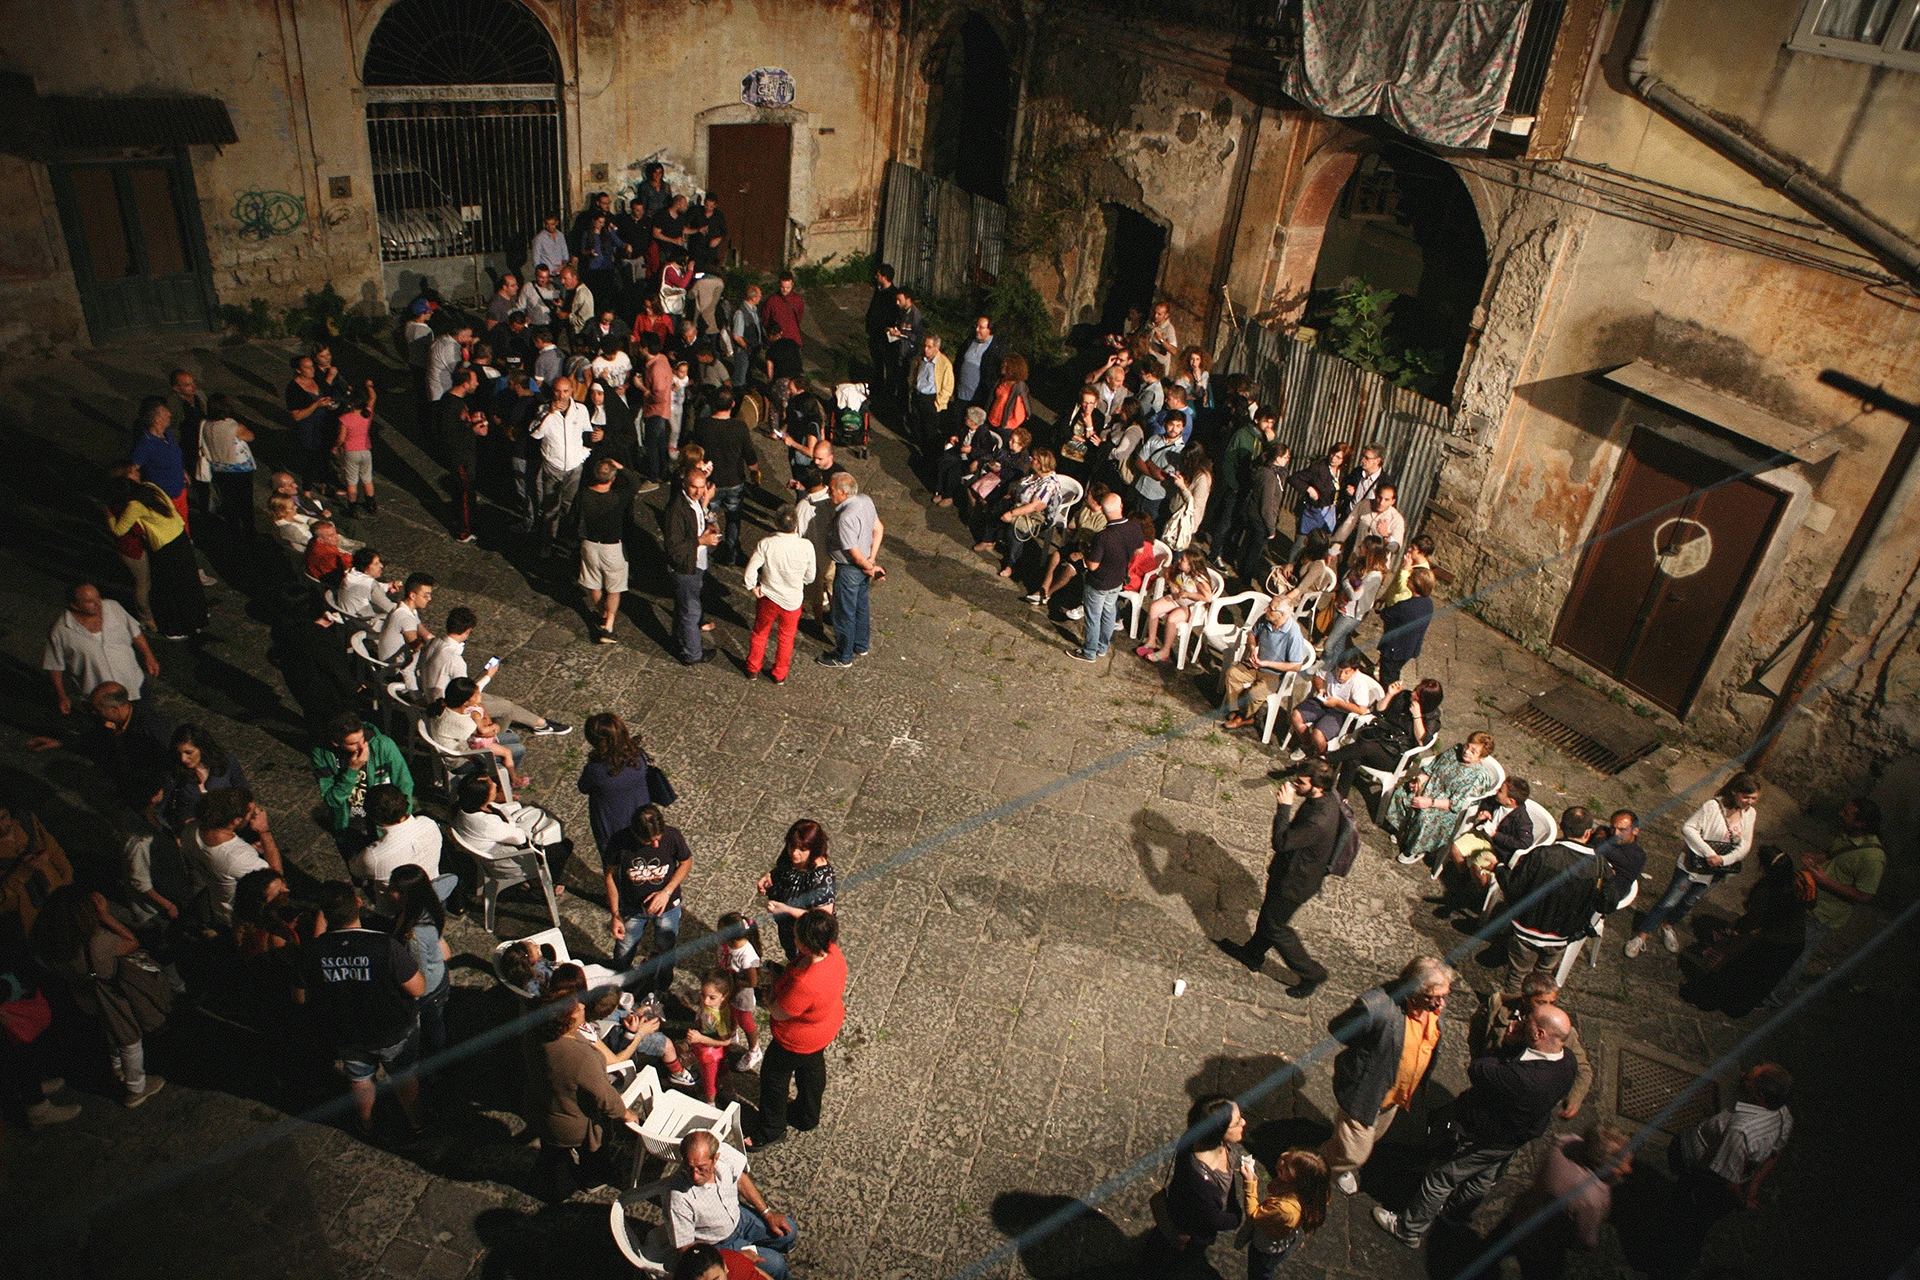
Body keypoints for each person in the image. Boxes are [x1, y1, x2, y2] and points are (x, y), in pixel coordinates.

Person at [1374, 1003, 1578, 1248]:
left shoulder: (1523, 1080)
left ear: (1539, 1034)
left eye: (1528, 1020)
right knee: (1482, 1176)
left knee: (1441, 1178)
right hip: (1511, 1138)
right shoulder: (1568, 1062)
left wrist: (1508, 1044)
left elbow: (1480, 1068)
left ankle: (1409, 1229)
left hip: (1482, 1135)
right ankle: (1455, 1215)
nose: (1521, 1020)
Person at [297, 881, 425, 1137]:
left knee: (359, 1078)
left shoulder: (311, 952)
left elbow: (301, 998)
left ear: (324, 914)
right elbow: (418, 988)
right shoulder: (384, 945)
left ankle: (366, 1123)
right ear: (357, 903)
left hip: (346, 1032)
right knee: (403, 1077)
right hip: (391, 1029)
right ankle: (416, 1123)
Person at [1318, 955, 1454, 1195]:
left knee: (1369, 1139)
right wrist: (1367, 1054)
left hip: (1393, 1096)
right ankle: (1316, 1169)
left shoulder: (1430, 1007)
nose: (1441, 1005)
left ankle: (1338, 1163)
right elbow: (1339, 1029)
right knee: (1355, 1153)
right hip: (1366, 1091)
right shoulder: (1377, 1007)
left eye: (1444, 996)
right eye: (1436, 998)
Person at [30, 885, 168, 1108]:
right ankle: (136, 1087)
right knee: (128, 1038)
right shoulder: (97, 943)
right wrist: (106, 916)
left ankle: (117, 1068)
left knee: (109, 1031)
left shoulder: (50, 946)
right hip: (109, 996)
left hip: (83, 996)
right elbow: (131, 942)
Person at [1216, 759, 1345, 998]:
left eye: (1300, 782)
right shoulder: (1324, 799)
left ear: (1318, 787)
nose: (1294, 785)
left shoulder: (1319, 820)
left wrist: (1284, 807)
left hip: (1294, 884)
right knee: (1268, 916)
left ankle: (1311, 973)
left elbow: (1282, 842)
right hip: (1290, 874)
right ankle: (1252, 953)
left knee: (1276, 928)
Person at [526, 976, 639, 1198]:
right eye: (576, 1007)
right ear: (566, 1020)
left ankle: (551, 1184)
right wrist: (626, 1113)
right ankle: (591, 1180)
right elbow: (605, 1098)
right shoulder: (580, 1056)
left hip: (541, 1107)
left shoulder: (535, 1033)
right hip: (572, 1123)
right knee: (595, 1153)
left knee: (552, 1154)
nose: (582, 1006)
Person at [1625, 772, 1761, 958]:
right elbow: (1688, 828)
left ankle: (1668, 925)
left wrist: (1724, 860)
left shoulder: (1749, 814)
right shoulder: (1712, 807)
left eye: (1753, 798)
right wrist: (1709, 853)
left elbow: (1745, 844)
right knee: (1670, 899)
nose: (1749, 802)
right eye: (1746, 797)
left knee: (1690, 901)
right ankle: (1642, 935)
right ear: (1734, 792)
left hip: (1717, 869)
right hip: (1694, 864)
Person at [1769, 795, 1885, 1008]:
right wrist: (1815, 859)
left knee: (1797, 954)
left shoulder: (1872, 859)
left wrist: (1825, 881)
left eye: (1847, 814)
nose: (1841, 814)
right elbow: (1833, 852)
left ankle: (1776, 996)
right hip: (1807, 898)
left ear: (1862, 823)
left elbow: (1865, 895)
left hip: (1823, 912)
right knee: (1783, 942)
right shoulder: (1847, 835)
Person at [1681, 845, 1811, 1018]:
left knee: (1739, 973)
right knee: (1764, 980)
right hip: (1795, 942)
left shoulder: (1766, 891)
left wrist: (1734, 931)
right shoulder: (1799, 883)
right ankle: (1739, 1008)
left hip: (1772, 942)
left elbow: (1753, 919)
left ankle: (1712, 1001)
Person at [753, 908, 846, 1150]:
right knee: (812, 1068)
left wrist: (770, 994)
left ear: (806, 944)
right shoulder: (833, 953)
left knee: (773, 1079)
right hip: (824, 1029)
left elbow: (779, 1012)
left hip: (796, 1040)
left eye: (796, 937)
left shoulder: (805, 982)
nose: (793, 940)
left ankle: (771, 1129)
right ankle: (806, 1116)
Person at [1494, 1123, 1631, 1280]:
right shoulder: (1593, 1199)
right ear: (1598, 1163)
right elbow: (1585, 1241)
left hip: (1522, 1212)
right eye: (1620, 1165)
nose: (1628, 1169)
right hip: (1542, 1244)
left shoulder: (1568, 1141)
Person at [1497, 808, 1605, 995]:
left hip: (1526, 930)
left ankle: (1509, 1013)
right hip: (1561, 936)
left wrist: (1499, 869)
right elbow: (1607, 903)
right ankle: (1535, 1011)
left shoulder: (1540, 855)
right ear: (1588, 833)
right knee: (1544, 978)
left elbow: (1514, 888)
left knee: (1516, 976)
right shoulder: (1599, 865)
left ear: (1561, 827)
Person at [414, 608, 569, 736]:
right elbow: (466, 694)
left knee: (497, 699)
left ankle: (540, 723)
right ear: (468, 631)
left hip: (434, 696)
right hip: (453, 707)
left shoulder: (433, 643)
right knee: (506, 707)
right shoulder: (454, 660)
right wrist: (488, 676)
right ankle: (496, 736)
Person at [667, 1131, 799, 1277]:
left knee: (789, 1230)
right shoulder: (678, 1196)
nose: (694, 1175)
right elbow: (686, 1248)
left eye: (701, 1168)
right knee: (776, 1264)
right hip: (719, 1244)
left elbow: (742, 1181)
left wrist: (767, 1213)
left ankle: (768, 1249)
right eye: (689, 1167)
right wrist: (734, 1258)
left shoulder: (725, 1154)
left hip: (741, 1219)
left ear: (715, 1158)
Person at [1671, 1063, 1792, 1221]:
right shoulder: (1783, 1115)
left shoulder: (1741, 1131)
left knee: (1683, 1211)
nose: (1743, 1076)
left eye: (1748, 1079)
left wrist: (1742, 1201)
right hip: (1716, 1175)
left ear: (1759, 1096)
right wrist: (1753, 1187)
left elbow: (1726, 1180)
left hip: (1697, 1168)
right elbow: (1776, 1152)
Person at [1148, 1096, 1245, 1269]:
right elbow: (1217, 1219)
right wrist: (1237, 1216)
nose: (1244, 1123)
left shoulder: (1193, 1139)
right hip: (1192, 1232)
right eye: (1237, 1122)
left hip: (1179, 1206)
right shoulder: (1201, 1186)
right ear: (1218, 1132)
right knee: (1178, 1260)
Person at [105, 476, 207, 640]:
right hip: (179, 535)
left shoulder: (134, 505)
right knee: (188, 581)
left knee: (171, 588)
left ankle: (176, 628)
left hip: (165, 545)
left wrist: (109, 516)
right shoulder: (150, 487)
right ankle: (197, 619)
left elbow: (119, 530)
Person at [1484, 973, 1596, 1120]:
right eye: (1542, 1002)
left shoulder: (1558, 1029)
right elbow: (1483, 1032)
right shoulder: (1500, 1005)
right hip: (1490, 1078)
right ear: (1525, 998)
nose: (1548, 1008)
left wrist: (1574, 1100)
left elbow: (1584, 1069)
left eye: (1552, 1002)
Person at [605, 805, 691, 991]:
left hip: (668, 908)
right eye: (649, 841)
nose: (656, 845)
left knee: (666, 949)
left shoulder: (672, 836)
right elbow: (610, 875)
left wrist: (666, 892)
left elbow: (686, 862)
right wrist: (615, 913)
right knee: (623, 951)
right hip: (633, 909)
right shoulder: (619, 842)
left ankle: (661, 987)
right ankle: (618, 988)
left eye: (658, 839)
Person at [1381, 731, 1498, 867]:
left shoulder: (1478, 777)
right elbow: (1431, 770)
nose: (1467, 751)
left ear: (1482, 756)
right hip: (1431, 788)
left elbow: (1457, 804)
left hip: (1446, 806)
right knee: (1403, 793)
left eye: (1474, 751)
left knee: (1425, 816)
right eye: (1467, 746)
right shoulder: (1454, 752)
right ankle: (1403, 831)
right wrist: (1418, 781)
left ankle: (1416, 849)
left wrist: (1429, 802)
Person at [44, 583, 158, 715]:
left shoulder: (113, 607)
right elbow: (54, 665)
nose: (98, 604)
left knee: (146, 719)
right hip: (102, 700)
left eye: (98, 597)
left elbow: (135, 632)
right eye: (90, 601)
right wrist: (61, 695)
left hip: (134, 684)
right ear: (74, 605)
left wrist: (149, 656)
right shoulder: (61, 631)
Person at [310, 713, 416, 855]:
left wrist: (400, 819)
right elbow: (332, 799)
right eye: (352, 743)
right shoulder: (322, 754)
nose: (362, 746)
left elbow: (405, 783)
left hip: (386, 823)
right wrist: (353, 770)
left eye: (362, 738)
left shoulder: (383, 745)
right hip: (351, 826)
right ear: (336, 743)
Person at [1327, 677, 1441, 801]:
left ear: (1426, 701)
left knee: (1363, 747)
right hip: (1380, 740)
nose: (1413, 694)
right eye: (1415, 690)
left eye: (1418, 695)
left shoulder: (1431, 718)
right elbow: (1379, 711)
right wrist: (1389, 694)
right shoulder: (1404, 697)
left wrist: (1417, 716)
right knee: (1353, 757)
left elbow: (1422, 741)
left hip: (1395, 756)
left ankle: (1324, 759)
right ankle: (1340, 798)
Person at [184, 786, 282, 926]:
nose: (254, 814)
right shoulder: (238, 857)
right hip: (238, 918)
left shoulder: (192, 829)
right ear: (236, 820)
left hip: (217, 906)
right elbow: (276, 879)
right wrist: (264, 831)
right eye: (250, 812)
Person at [818, 472, 885, 668]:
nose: (829, 494)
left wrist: (870, 567)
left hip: (850, 569)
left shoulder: (845, 518)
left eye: (831, 491)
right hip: (863, 565)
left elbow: (855, 555)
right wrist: (872, 558)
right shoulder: (865, 500)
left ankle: (843, 655)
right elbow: (879, 529)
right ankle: (861, 644)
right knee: (861, 606)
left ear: (842, 493)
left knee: (843, 612)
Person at [1066, 493, 1143, 663]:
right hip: (1118, 579)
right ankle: (1102, 647)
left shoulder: (1103, 536)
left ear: (1104, 512)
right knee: (1109, 614)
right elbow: (1139, 550)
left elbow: (1092, 565)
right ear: (1121, 506)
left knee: (1093, 616)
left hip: (1099, 582)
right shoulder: (1134, 527)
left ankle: (1089, 652)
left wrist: (1085, 551)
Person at [385, 864, 452, 1057]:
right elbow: (451, 878)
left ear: (408, 895)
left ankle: (437, 1058)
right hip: (438, 973)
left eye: (395, 890)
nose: (389, 892)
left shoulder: (416, 935)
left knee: (433, 1026)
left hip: (430, 990)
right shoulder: (428, 899)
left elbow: (418, 973)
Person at [744, 508, 817, 685]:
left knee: (760, 633)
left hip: (768, 597)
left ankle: (753, 668)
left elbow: (751, 570)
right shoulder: (806, 546)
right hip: (792, 600)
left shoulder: (766, 544)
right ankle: (779, 674)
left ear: (776, 523)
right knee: (786, 638)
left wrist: (753, 586)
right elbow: (810, 577)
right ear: (796, 523)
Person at [1221, 596, 1313, 730]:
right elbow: (1252, 635)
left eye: (1271, 608)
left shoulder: (1293, 634)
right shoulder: (1265, 619)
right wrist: (1253, 649)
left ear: (1281, 614)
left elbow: (1296, 665)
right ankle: (1235, 710)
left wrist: (1266, 664)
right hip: (1256, 664)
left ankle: (1245, 717)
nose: (1266, 609)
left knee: (1255, 693)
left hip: (1275, 674)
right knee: (1232, 674)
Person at [691, 388, 760, 566]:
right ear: (733, 404)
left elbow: (695, 452)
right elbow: (749, 455)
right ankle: (731, 552)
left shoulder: (702, 425)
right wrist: (754, 472)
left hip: (710, 482)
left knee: (706, 517)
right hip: (733, 481)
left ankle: (707, 548)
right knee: (733, 518)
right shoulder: (739, 427)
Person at [663, 468, 721, 666]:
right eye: (694, 487)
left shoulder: (694, 502)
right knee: (691, 613)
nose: (698, 492)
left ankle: (679, 640)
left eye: (701, 487)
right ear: (684, 485)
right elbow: (674, 548)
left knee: (683, 606)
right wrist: (701, 540)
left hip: (696, 564)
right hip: (686, 568)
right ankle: (693, 654)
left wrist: (707, 528)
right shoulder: (675, 510)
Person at [1242, 1147, 1330, 1279]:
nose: (1281, 1159)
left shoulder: (1285, 1209)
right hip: (1285, 1239)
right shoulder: (1313, 1191)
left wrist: (1250, 1183)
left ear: (1297, 1181)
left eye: (1285, 1167)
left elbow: (1253, 1215)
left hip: (1266, 1248)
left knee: (1260, 1273)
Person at [574, 457, 634, 644]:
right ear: (612, 478)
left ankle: (602, 612)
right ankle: (608, 624)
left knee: (593, 582)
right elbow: (634, 483)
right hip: (612, 547)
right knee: (614, 587)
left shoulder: (584, 494)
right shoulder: (618, 497)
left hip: (590, 544)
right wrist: (621, 467)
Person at [349, 783, 449, 894]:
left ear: (374, 818)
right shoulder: (429, 823)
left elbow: (355, 870)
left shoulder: (373, 857)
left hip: (397, 908)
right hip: (435, 891)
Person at [758, 819, 836, 961]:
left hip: (806, 937)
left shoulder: (822, 877)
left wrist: (786, 909)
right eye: (792, 846)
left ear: (814, 849)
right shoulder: (792, 858)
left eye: (802, 849)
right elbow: (782, 869)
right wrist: (769, 876)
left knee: (801, 962)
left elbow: (821, 919)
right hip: (788, 930)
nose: (794, 853)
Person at [1285, 653, 1384, 759]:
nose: (1341, 675)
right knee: (1296, 716)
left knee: (1318, 735)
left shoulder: (1359, 684)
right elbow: (1318, 676)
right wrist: (1321, 689)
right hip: (1325, 701)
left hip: (1341, 712)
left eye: (1346, 672)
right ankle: (1307, 745)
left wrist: (1337, 703)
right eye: (1339, 671)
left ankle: (1320, 756)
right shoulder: (1331, 666)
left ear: (1354, 671)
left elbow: (1361, 710)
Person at [1135, 547, 1216, 665]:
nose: (1179, 561)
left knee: (1172, 618)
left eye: (1183, 560)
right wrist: (1171, 584)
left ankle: (1165, 650)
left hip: (1191, 608)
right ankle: (1152, 640)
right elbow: (1166, 572)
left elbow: (1208, 597)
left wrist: (1188, 594)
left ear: (1191, 566)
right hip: (1177, 600)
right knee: (1155, 607)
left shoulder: (1198, 579)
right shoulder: (1179, 571)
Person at [1319, 537, 1387, 674]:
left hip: (1352, 614)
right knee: (1339, 643)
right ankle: (1335, 669)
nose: (1359, 548)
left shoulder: (1375, 576)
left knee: (1329, 644)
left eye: (1362, 547)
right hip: (1342, 606)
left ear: (1370, 552)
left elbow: (1354, 595)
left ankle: (1323, 668)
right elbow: (1346, 576)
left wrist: (1345, 583)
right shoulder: (1361, 563)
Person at [161, 724, 249, 831]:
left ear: (202, 748)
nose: (183, 758)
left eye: (189, 752)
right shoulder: (173, 772)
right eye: (179, 753)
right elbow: (160, 809)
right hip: (189, 833)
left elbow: (244, 793)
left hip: (224, 830)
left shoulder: (225, 762)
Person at [200, 392, 261, 529]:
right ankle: (248, 529)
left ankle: (233, 527)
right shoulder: (235, 427)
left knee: (228, 500)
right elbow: (250, 437)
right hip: (239, 469)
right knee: (245, 501)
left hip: (219, 467)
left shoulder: (205, 424)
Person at [1376, 564, 1435, 686]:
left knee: (1387, 679)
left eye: (1410, 579)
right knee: (1394, 674)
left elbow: (1386, 614)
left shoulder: (1405, 606)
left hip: (1395, 649)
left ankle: (1387, 701)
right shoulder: (1428, 604)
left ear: (1415, 585)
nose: (1408, 579)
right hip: (1409, 648)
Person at [1288, 443, 1348, 539]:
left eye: (1338, 457)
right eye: (1333, 454)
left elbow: (1336, 493)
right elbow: (1293, 479)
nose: (1333, 458)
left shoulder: (1341, 474)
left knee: (1319, 544)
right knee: (1301, 543)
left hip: (1328, 514)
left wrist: (1347, 493)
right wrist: (1309, 489)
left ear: (1343, 460)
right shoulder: (1319, 468)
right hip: (1311, 511)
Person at [376, 572, 437, 666]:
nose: (429, 599)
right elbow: (417, 647)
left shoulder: (406, 608)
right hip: (393, 665)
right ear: (412, 596)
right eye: (426, 595)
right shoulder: (405, 618)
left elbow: (422, 630)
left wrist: (435, 641)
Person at [908, 333, 955, 450]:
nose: (925, 349)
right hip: (918, 395)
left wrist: (938, 402)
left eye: (929, 347)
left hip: (931, 400)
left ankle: (929, 452)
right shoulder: (922, 359)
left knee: (929, 429)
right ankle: (919, 445)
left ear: (936, 348)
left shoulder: (944, 364)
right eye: (925, 346)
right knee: (917, 423)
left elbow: (948, 387)